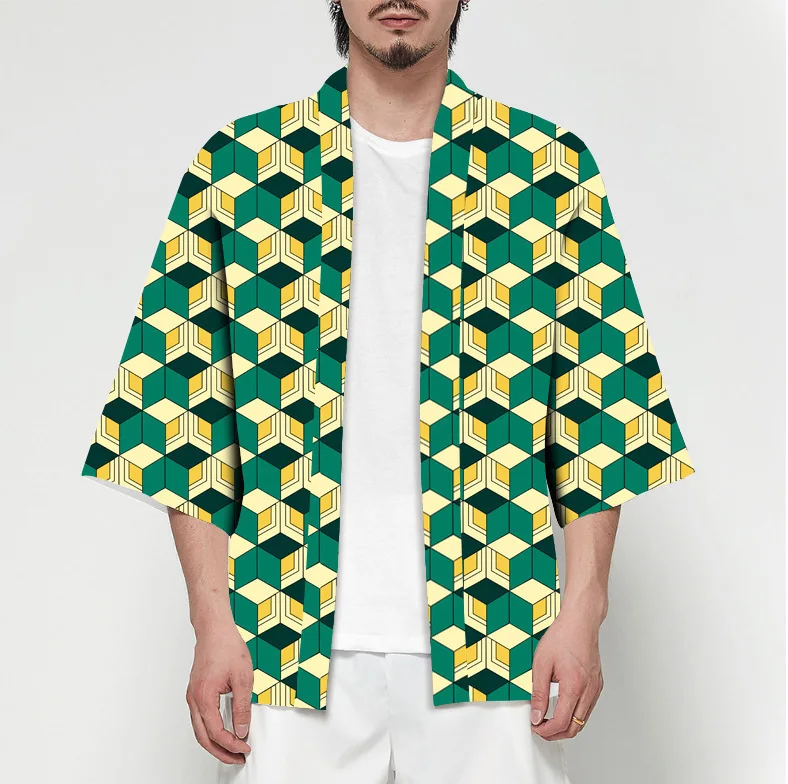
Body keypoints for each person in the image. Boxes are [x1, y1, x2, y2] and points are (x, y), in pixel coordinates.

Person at [81, 1, 696, 781]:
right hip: (284, 632)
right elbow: (182, 417)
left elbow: (604, 415)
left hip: (498, 627)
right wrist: (212, 624)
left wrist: (583, 614)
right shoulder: (240, 170)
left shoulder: (547, 172)